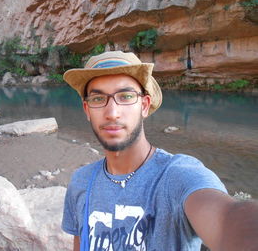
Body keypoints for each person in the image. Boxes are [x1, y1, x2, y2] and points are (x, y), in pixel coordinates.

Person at [61, 51, 258, 251]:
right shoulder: (81, 182)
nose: (112, 113)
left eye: (126, 96)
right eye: (97, 99)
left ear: (145, 106)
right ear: (87, 109)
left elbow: (229, 217)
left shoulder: (176, 176)